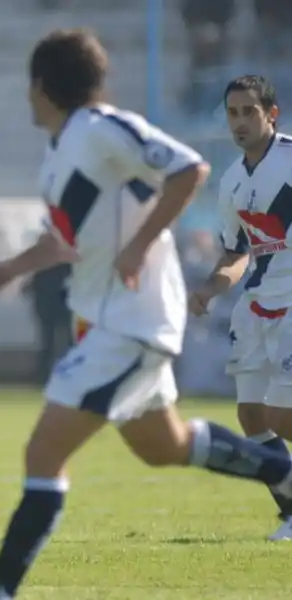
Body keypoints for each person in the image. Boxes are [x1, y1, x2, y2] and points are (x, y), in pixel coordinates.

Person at [0, 30, 292, 600]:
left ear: (42, 86)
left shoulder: (101, 127)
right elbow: (66, 239)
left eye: (30, 85)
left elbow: (189, 169)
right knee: (161, 445)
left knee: (43, 451)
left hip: (131, 323)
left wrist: (141, 244)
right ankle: (280, 469)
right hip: (107, 319)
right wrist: (11, 267)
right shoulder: (64, 148)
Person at [189, 75, 292, 539]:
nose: (239, 122)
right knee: (252, 417)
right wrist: (210, 289)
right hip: (257, 302)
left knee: (281, 416)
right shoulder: (231, 181)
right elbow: (236, 252)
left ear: (271, 114)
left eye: (249, 112)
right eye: (232, 113)